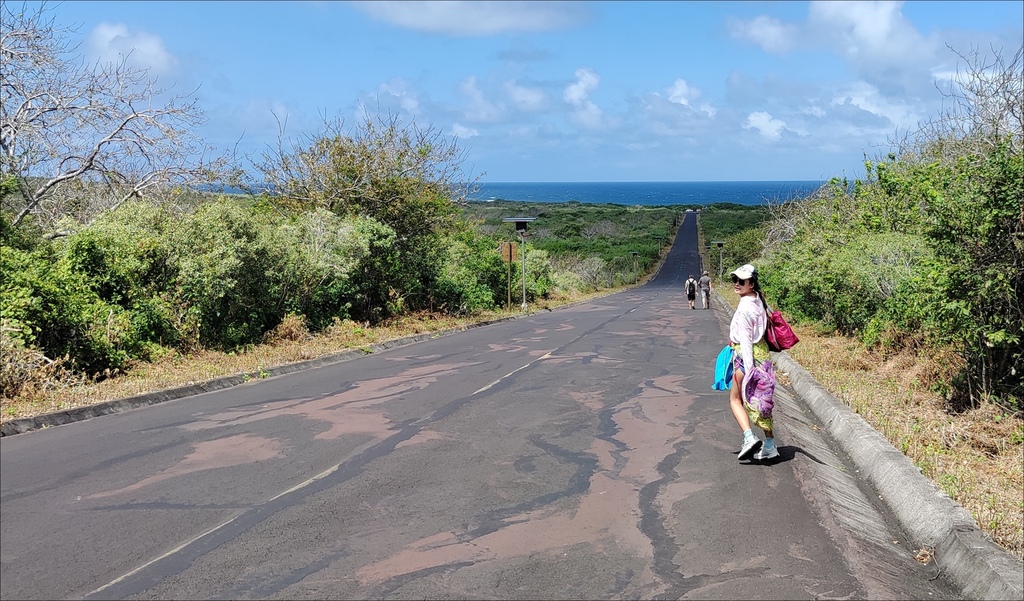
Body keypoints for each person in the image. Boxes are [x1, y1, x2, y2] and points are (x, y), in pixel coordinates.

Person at [726, 263, 777, 461]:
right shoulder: (758, 300)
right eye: (735, 280)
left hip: (747, 357)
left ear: (752, 283)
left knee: (735, 399)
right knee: (763, 402)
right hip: (763, 355)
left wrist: (748, 372)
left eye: (741, 281)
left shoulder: (745, 307)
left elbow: (746, 341)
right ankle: (770, 444)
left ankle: (749, 437)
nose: (737, 284)